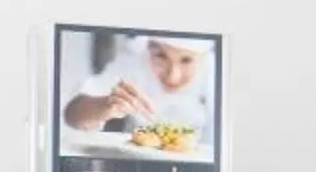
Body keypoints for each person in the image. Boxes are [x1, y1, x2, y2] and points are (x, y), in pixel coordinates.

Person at [61, 32, 214, 144]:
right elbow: (72, 114)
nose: (172, 76)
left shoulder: (215, 73)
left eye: (186, 60)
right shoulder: (133, 60)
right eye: (160, 56)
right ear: (148, 48)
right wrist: (106, 105)